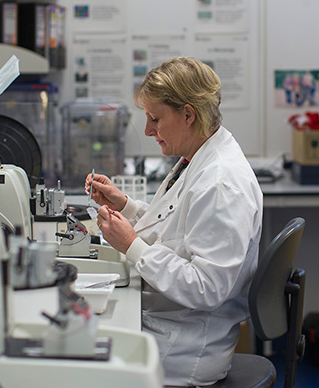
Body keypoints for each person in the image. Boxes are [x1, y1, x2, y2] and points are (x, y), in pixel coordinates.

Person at [85, 56, 263, 387]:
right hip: (171, 321)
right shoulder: (197, 156)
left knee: (80, 362)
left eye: (155, 119)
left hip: (186, 347)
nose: (149, 130)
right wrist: (126, 207)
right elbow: (177, 227)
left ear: (187, 114)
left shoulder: (222, 182)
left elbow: (207, 287)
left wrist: (131, 245)